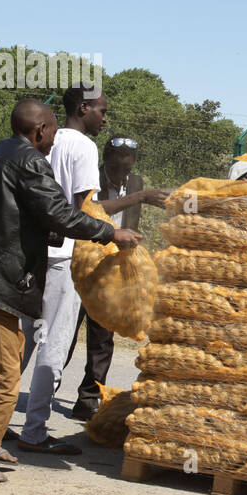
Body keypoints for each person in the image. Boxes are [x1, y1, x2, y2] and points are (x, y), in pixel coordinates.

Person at [0, 100, 141, 485]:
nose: (53, 141)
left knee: (10, 353)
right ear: (41, 130)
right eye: (50, 133)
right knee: (4, 373)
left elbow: (19, 214)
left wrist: (48, 232)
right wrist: (110, 232)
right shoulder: (29, 160)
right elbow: (59, 212)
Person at [15, 86, 113, 454]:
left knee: (22, 342)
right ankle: (35, 431)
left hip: (35, 252)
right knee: (54, 345)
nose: (104, 118)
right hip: (65, 257)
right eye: (101, 111)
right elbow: (84, 208)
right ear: (83, 108)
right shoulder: (84, 147)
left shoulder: (44, 138)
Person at [69, 135, 168, 420]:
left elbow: (131, 216)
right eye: (117, 164)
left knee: (103, 336)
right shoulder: (93, 179)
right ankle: (45, 393)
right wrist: (140, 197)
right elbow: (92, 210)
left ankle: (88, 398)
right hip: (85, 262)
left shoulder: (135, 182)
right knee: (67, 331)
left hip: (113, 267)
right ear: (106, 159)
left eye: (128, 164)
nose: (123, 170)